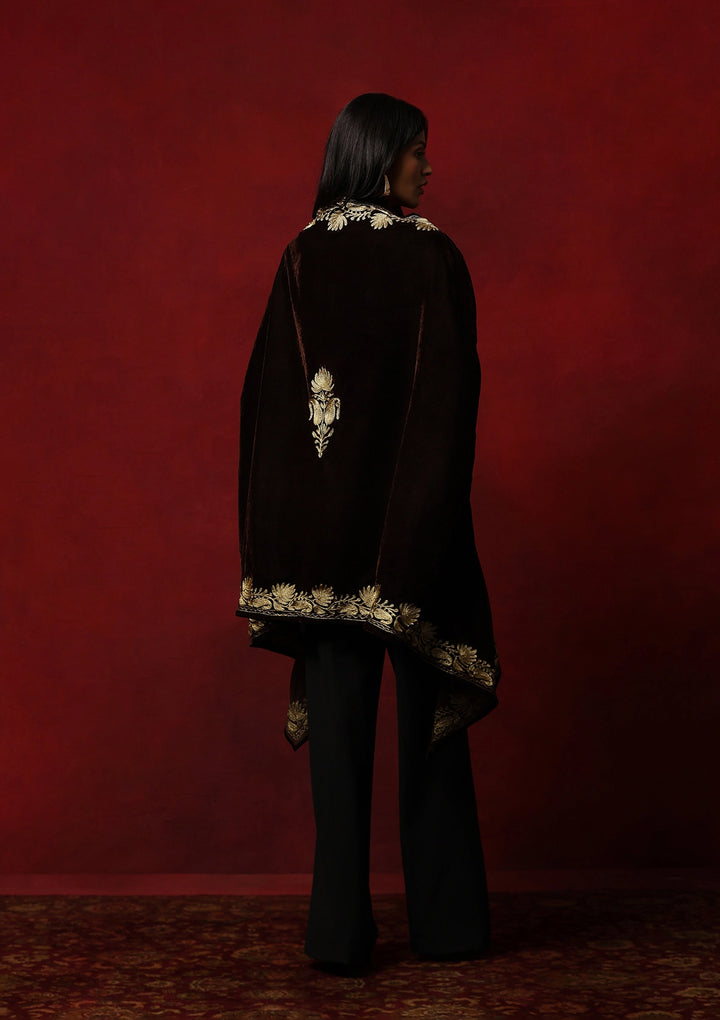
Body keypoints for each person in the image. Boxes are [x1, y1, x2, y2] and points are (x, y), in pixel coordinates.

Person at [236, 92, 502, 973]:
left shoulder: (300, 256)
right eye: (418, 151)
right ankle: (449, 927)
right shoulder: (431, 256)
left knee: (339, 751)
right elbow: (449, 402)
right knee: (432, 735)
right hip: (413, 533)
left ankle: (339, 935)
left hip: (318, 546)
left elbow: (270, 407)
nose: (429, 167)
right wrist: (426, 520)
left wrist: (275, 541)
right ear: (381, 156)